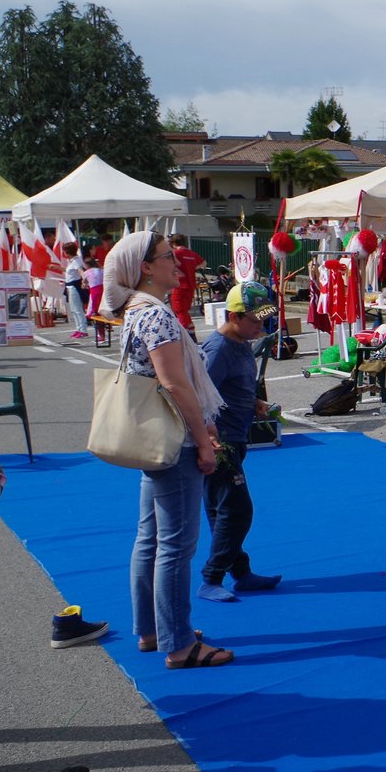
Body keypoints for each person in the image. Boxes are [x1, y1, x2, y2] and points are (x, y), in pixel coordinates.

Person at [102, 231, 233, 669]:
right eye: (167, 258)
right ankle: (178, 643)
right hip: (173, 437)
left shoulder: (134, 310)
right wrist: (203, 439)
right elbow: (174, 383)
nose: (177, 265)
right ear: (145, 267)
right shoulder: (155, 315)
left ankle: (153, 629)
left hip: (152, 434)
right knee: (176, 545)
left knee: (151, 539)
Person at [196, 283, 283, 604]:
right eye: (255, 320)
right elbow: (200, 393)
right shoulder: (218, 349)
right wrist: (206, 437)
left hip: (235, 434)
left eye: (263, 320)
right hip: (221, 442)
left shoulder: (241, 341)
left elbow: (229, 388)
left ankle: (240, 572)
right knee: (237, 510)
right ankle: (212, 577)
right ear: (233, 316)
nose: (261, 326)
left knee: (223, 509)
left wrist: (254, 402)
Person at [169, 234, 206, 334]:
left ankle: (187, 332)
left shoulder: (175, 253)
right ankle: (190, 330)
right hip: (191, 286)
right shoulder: (191, 253)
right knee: (185, 311)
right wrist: (192, 267)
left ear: (173, 243)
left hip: (179, 285)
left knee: (180, 311)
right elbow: (204, 263)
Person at [62, 241, 90, 340]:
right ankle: (79, 329)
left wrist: (84, 280)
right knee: (74, 309)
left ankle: (83, 330)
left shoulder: (76, 261)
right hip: (69, 286)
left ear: (67, 252)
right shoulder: (72, 261)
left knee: (78, 309)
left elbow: (81, 271)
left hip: (74, 286)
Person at [84, 256, 104, 320]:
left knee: (93, 303)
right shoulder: (101, 270)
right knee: (100, 303)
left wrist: (85, 284)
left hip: (94, 289)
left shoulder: (87, 272)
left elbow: (84, 282)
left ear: (87, 265)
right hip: (102, 288)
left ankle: (93, 312)